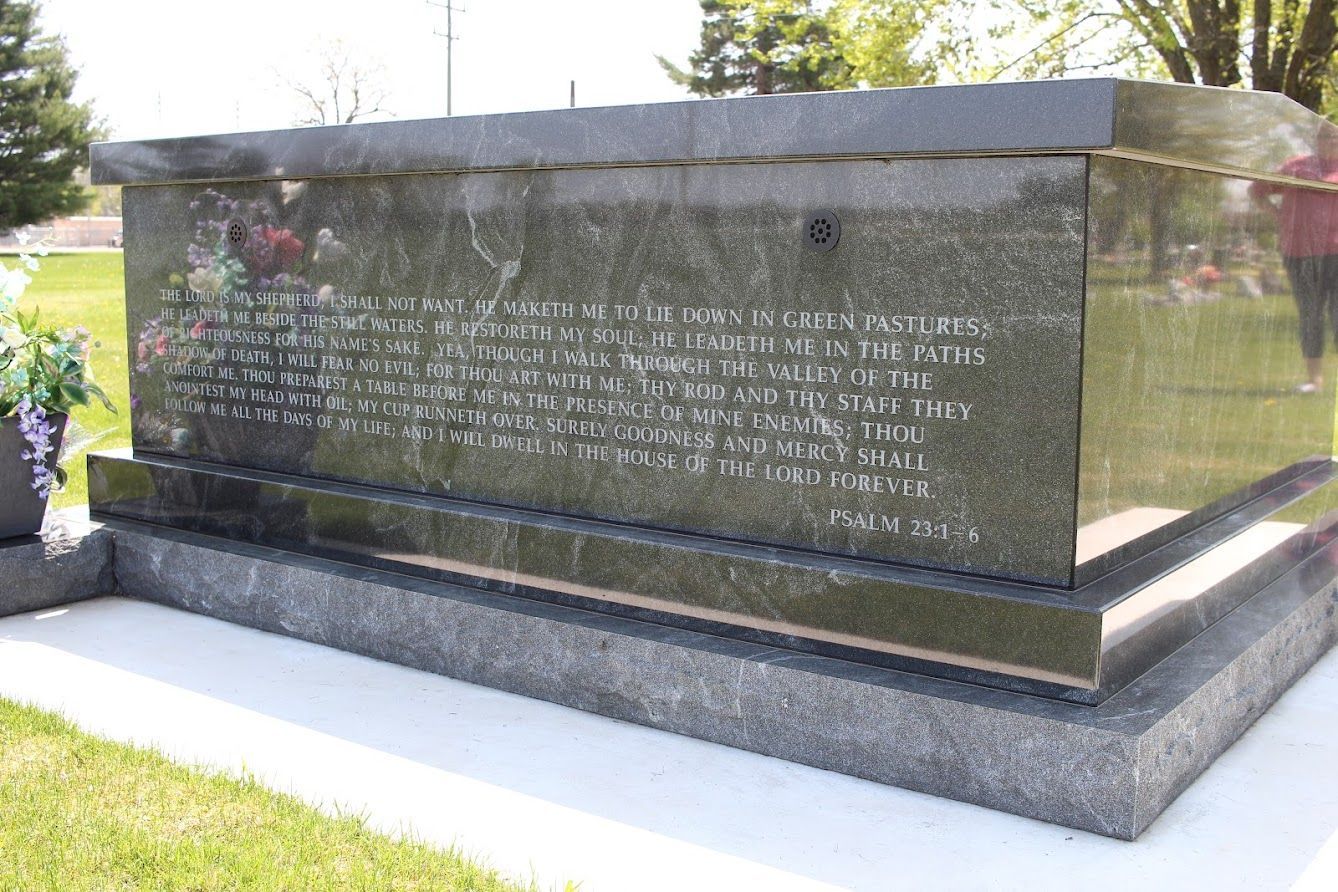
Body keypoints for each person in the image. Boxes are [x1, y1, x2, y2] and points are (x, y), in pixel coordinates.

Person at [1250, 124, 1338, 393]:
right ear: (1317, 139)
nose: (1331, 140)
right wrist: (1280, 217)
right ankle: (1315, 381)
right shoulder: (1296, 166)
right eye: (1326, 135)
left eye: (1336, 136)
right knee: (1310, 315)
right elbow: (1257, 191)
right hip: (1299, 253)